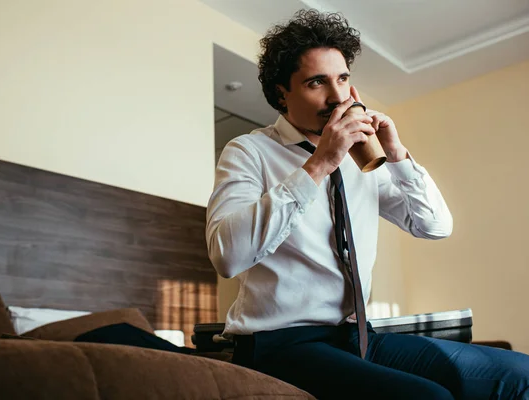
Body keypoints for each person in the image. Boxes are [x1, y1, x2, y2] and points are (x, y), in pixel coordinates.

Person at [205, 9, 529, 400]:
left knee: (520, 373)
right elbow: (226, 255)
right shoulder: (249, 151)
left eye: (343, 79)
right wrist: (319, 164)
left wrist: (397, 154)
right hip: (279, 340)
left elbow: (435, 226)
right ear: (281, 93)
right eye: (316, 82)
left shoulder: (364, 159)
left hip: (360, 336)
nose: (337, 96)